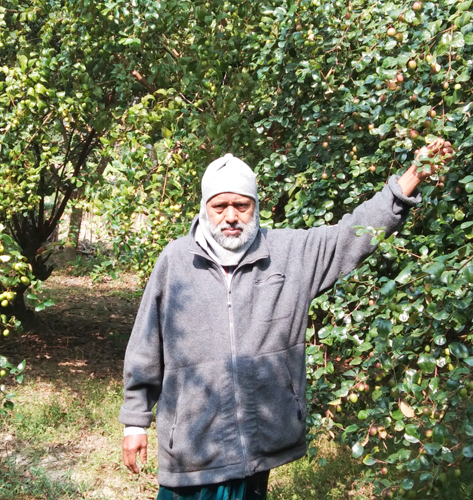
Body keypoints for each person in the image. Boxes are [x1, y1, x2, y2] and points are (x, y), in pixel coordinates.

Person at [120, 140, 451, 499]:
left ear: (255, 207)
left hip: (255, 446)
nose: (230, 216)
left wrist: (412, 177)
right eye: (220, 206)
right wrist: (135, 422)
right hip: (192, 447)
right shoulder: (175, 261)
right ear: (204, 209)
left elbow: (352, 235)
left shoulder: (288, 254)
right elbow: (146, 344)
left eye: (241, 205)